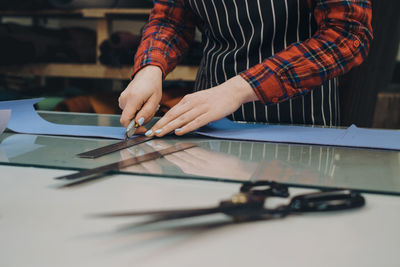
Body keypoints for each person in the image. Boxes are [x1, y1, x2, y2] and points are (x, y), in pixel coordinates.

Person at [118, 0, 373, 137]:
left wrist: (240, 89)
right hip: (209, 124)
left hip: (299, 124)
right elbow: (171, 18)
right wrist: (150, 68)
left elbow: (347, 34)